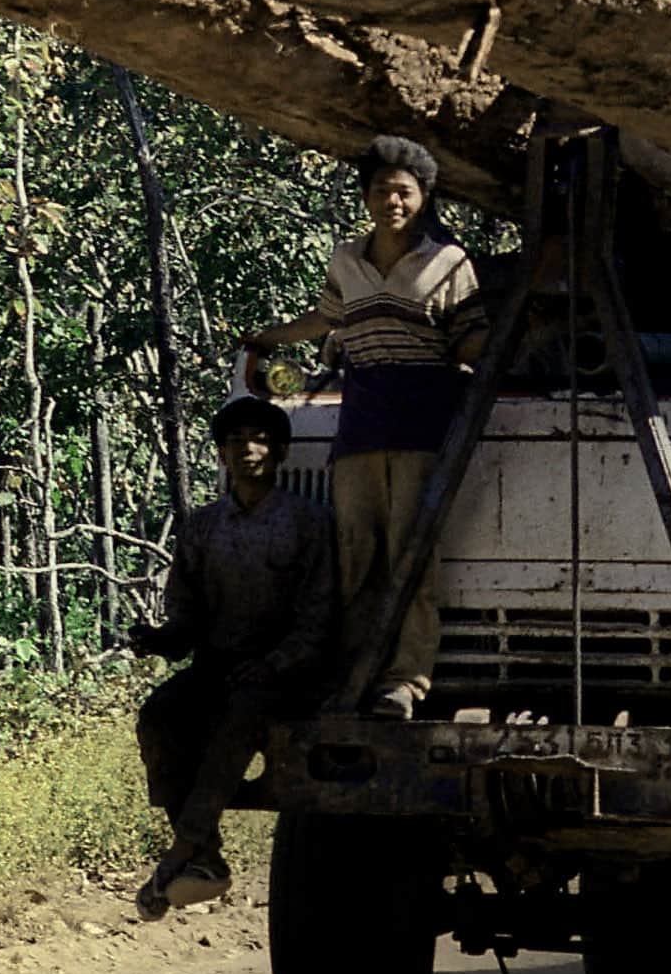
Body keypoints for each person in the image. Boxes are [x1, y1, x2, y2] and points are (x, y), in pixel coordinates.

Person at [244, 136, 485, 720]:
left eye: (403, 192)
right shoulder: (346, 260)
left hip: (423, 426)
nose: (392, 202)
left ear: (423, 199)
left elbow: (474, 342)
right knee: (355, 556)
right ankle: (357, 675)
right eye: (382, 191)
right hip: (360, 425)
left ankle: (405, 682)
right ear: (367, 197)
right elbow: (326, 319)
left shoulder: (450, 264)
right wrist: (266, 339)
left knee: (411, 555)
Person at [131, 395, 335, 920]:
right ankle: (205, 854)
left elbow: (320, 616)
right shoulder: (202, 526)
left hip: (289, 672)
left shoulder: (309, 522)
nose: (248, 448)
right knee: (160, 717)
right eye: (235, 440)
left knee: (239, 717)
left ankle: (183, 850)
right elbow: (186, 612)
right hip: (217, 664)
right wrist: (162, 639)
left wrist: (276, 663)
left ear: (282, 451)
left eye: (260, 438)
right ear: (221, 453)